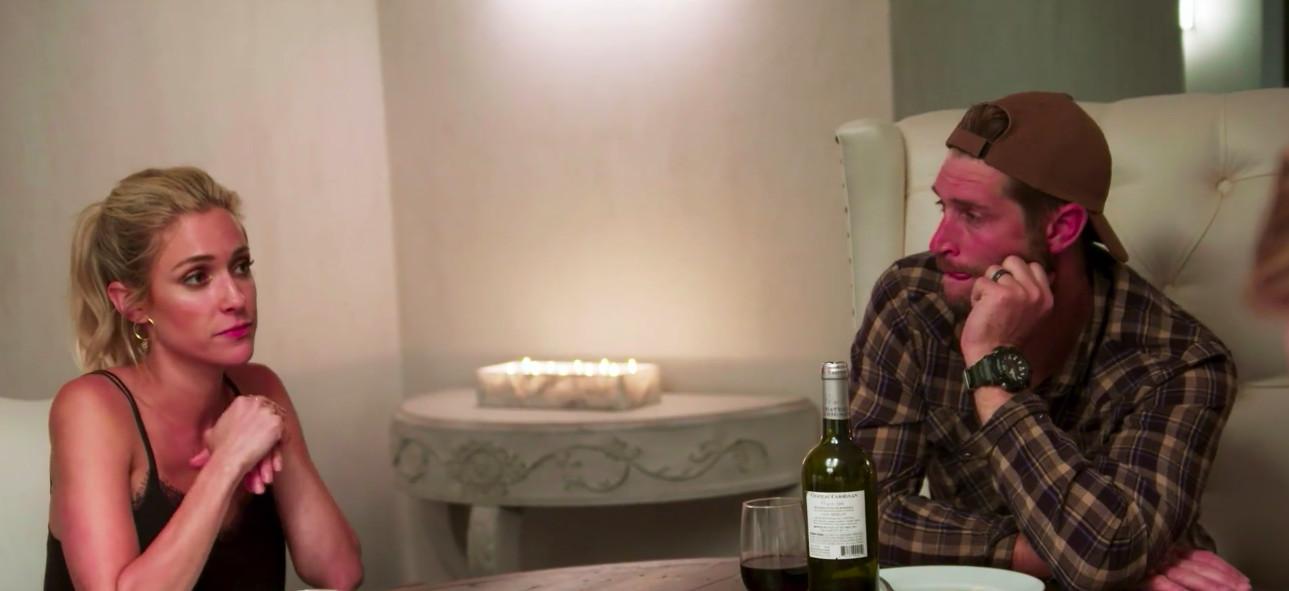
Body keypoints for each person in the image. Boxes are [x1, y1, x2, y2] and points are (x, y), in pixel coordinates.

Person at [848, 92, 1251, 590]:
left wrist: (991, 369)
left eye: (972, 215)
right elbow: (857, 514)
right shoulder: (912, 301)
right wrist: (1046, 555)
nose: (938, 243)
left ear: (1062, 228)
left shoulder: (1180, 361)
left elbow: (1105, 553)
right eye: (942, 206)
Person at [45, 167, 363, 590]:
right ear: (133, 304)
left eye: (241, 267)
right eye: (197, 277)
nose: (236, 297)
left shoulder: (259, 387)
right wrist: (228, 462)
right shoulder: (92, 408)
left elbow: (339, 573)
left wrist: (274, 431)